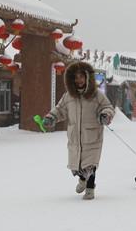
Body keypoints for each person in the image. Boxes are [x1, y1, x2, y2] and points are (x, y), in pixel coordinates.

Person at [43, 62, 115, 200]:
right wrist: (51, 117)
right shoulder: (68, 96)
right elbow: (59, 110)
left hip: (92, 135)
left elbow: (108, 107)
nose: (79, 80)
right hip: (75, 136)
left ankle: (90, 187)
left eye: (81, 77)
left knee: (91, 164)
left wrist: (105, 115)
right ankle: (82, 179)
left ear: (87, 77)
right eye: (76, 78)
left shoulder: (97, 95)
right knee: (78, 164)